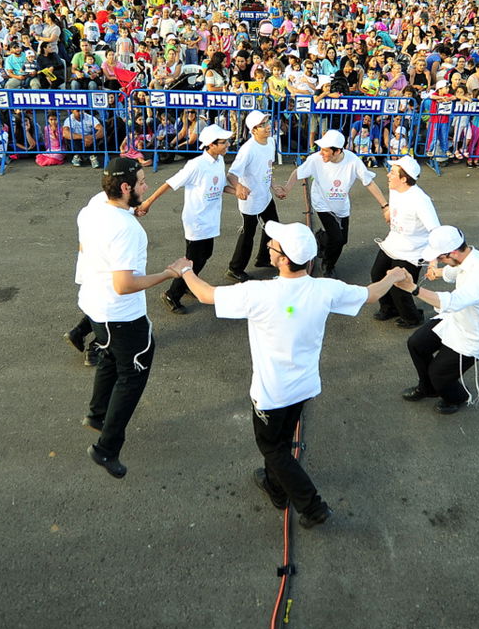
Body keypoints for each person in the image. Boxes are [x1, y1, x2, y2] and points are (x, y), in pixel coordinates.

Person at [169, 221, 411, 528]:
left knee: (272, 448)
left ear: (283, 260)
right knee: (281, 440)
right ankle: (275, 487)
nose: (269, 246)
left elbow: (207, 294)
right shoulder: (325, 289)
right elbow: (370, 295)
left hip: (271, 392)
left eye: (273, 245)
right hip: (304, 385)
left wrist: (186, 270)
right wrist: (393, 276)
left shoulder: (259, 292)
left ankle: (312, 506)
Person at [79, 157, 181, 479]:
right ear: (125, 187)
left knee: (110, 355)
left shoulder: (94, 206)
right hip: (120, 314)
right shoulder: (127, 230)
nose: (146, 187)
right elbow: (124, 285)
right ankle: (106, 448)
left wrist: (129, 210)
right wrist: (169, 273)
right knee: (132, 374)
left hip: (94, 304)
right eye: (141, 182)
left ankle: (97, 414)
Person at [394, 225, 479, 415]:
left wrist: (413, 288)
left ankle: (457, 397)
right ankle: (428, 388)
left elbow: (452, 302)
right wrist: (437, 272)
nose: (438, 261)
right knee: (416, 344)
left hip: (475, 334)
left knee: (438, 374)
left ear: (453, 252)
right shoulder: (468, 256)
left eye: (440, 258)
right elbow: (454, 271)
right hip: (458, 318)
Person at [137, 124, 242, 314]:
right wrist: (148, 203)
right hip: (196, 220)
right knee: (194, 259)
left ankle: (187, 284)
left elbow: (219, 186)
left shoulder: (219, 161)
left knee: (205, 254)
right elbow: (170, 183)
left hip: (211, 218)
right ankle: (172, 294)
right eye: (223, 142)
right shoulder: (196, 165)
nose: (228, 145)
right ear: (211, 145)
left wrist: (237, 192)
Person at [273, 128, 387, 278]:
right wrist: (287, 189)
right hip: (322, 204)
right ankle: (328, 265)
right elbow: (298, 172)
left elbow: (369, 183)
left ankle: (321, 238)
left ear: (338, 151)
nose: (321, 153)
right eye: (321, 149)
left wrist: (385, 206)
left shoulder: (353, 161)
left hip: (341, 206)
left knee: (342, 240)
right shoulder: (315, 159)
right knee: (337, 239)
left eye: (326, 151)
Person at [371, 154, 440, 329]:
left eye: (393, 172)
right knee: (377, 274)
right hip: (393, 242)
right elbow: (395, 207)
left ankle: (413, 318)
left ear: (404, 179)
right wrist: (388, 211)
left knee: (400, 287)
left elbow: (436, 231)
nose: (388, 175)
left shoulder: (420, 201)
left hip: (411, 251)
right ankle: (389, 308)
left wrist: (433, 263)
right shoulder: (394, 189)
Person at [225, 109, 279, 282]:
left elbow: (268, 168)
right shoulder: (247, 150)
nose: (267, 127)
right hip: (250, 200)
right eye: (262, 125)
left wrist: (274, 186)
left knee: (273, 227)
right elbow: (231, 174)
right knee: (248, 236)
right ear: (253, 130)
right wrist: (239, 186)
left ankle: (264, 258)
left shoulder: (271, 142)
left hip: (265, 196)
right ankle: (235, 269)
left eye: (267, 122)